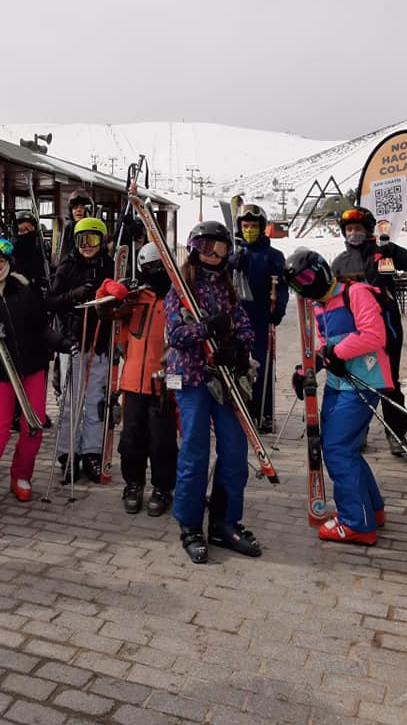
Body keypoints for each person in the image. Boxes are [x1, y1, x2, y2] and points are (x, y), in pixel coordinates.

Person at [165, 221, 258, 564]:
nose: (214, 255)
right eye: (207, 248)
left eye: (220, 249)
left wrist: (237, 348)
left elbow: (244, 325)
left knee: (234, 449)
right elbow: (175, 335)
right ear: (194, 248)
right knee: (195, 450)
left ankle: (224, 521)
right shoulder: (180, 287)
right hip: (191, 377)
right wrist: (207, 329)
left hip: (223, 378)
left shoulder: (227, 287)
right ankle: (190, 524)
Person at [285, 247, 392, 546]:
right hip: (338, 384)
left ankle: (356, 522)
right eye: (296, 285)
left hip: (364, 381)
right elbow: (325, 347)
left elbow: (374, 334)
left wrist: (337, 353)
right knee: (346, 448)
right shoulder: (319, 306)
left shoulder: (354, 293)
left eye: (306, 279)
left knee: (336, 449)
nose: (303, 288)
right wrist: (307, 369)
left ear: (320, 270)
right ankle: (371, 509)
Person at [0, 237, 68, 518]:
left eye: (0, 260)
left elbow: (40, 327)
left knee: (33, 425)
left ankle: (21, 475)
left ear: (8, 263)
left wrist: (60, 342)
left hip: (32, 368)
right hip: (2, 371)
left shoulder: (24, 290)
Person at [330, 206, 407, 456]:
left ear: (368, 230)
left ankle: (396, 433)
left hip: (386, 327)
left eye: (358, 228)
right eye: (349, 229)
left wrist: (393, 250)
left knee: (388, 381)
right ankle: (358, 432)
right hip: (354, 333)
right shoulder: (340, 262)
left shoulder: (381, 255)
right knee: (357, 383)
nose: (353, 233)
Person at [96, 242, 177, 516]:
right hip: (132, 382)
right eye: (149, 268)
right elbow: (104, 311)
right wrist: (110, 288)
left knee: (161, 441)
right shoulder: (136, 298)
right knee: (131, 439)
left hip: (163, 383)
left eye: (159, 267)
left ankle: (163, 488)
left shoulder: (177, 299)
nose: (155, 272)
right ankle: (133, 484)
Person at [47, 216, 113, 483]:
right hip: (73, 340)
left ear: (101, 241)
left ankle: (92, 452)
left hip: (99, 342)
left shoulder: (108, 265)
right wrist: (73, 295)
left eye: (92, 240)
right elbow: (51, 301)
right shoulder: (67, 266)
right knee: (71, 401)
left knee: (95, 401)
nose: (87, 246)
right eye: (81, 240)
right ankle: (67, 452)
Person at [229, 204, 288, 432]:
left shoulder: (273, 256)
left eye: (253, 225)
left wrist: (278, 309)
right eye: (245, 226)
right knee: (237, 364)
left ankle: (264, 413)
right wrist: (230, 264)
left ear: (261, 227)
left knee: (262, 365)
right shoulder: (235, 254)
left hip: (261, 317)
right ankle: (240, 409)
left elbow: (281, 287)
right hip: (237, 318)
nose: (249, 230)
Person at [13, 210, 50, 295]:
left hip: (38, 291)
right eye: (22, 230)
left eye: (28, 229)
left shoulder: (42, 248)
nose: (26, 233)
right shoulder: (13, 249)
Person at [56, 189, 95, 265]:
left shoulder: (95, 228)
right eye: (75, 207)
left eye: (82, 207)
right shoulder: (68, 229)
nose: (79, 210)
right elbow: (63, 253)